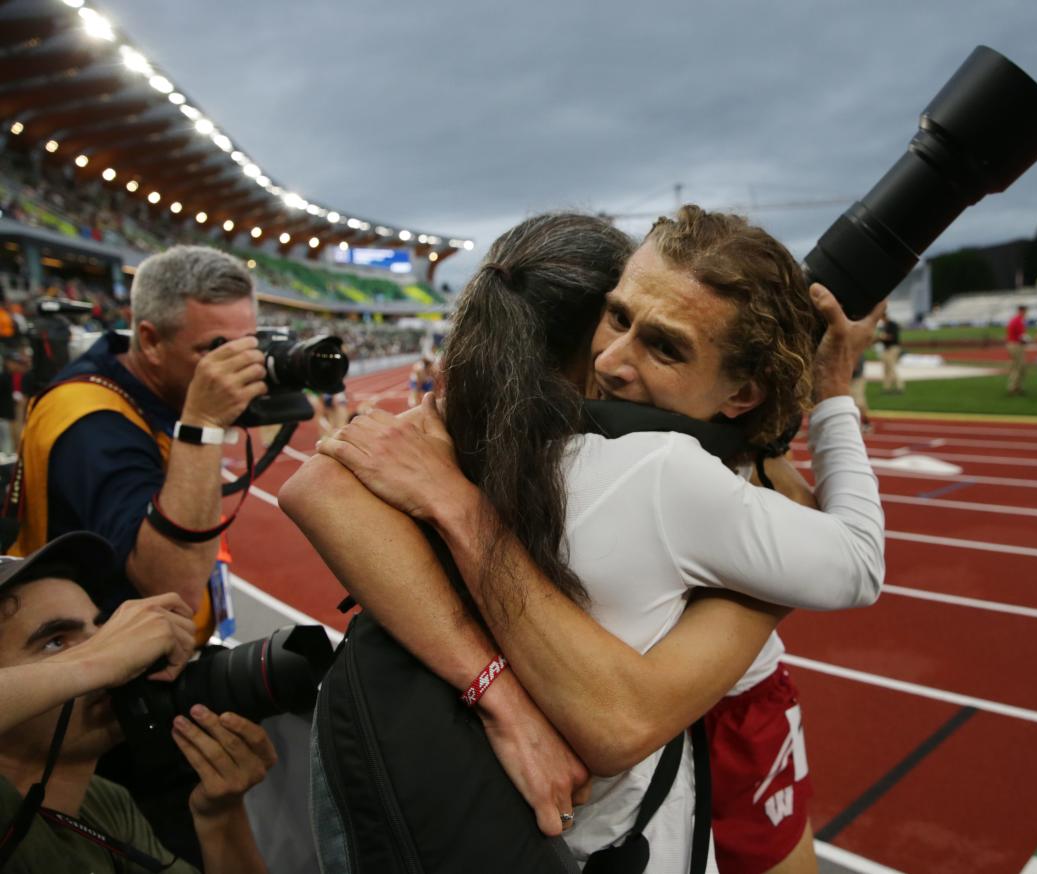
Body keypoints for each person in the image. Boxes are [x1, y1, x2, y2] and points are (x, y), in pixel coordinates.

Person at [286, 208, 885, 873]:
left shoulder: (471, 436)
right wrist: (829, 399)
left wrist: (497, 690)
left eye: (663, 344)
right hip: (627, 829)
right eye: (618, 318)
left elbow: (316, 486)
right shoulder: (662, 472)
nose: (613, 360)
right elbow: (856, 563)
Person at [6, 245, 268, 859]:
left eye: (250, 342)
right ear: (149, 340)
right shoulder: (92, 420)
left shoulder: (143, 395)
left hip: (127, 691)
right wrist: (203, 425)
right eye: (215, 349)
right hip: (94, 723)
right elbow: (168, 582)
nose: (241, 364)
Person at [0, 531, 275, 873]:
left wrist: (222, 818)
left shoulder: (106, 805)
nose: (117, 656)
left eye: (103, 630)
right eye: (56, 642)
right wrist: (94, 660)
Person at [1005, 304, 1029, 395]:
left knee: (1018, 366)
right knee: (1019, 366)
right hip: (1016, 345)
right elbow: (1022, 336)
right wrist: (1030, 341)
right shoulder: (1018, 321)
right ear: (1022, 311)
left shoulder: (1015, 320)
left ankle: (1016, 386)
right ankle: (1014, 387)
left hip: (1012, 344)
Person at [878, 307, 903, 393]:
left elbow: (893, 337)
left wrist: (882, 337)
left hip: (893, 348)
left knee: (892, 367)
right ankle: (886, 388)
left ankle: (899, 387)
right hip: (886, 349)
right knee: (886, 368)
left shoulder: (892, 325)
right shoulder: (884, 326)